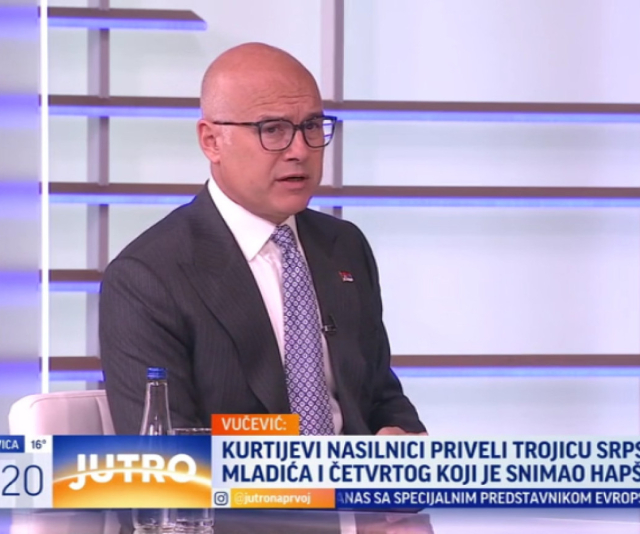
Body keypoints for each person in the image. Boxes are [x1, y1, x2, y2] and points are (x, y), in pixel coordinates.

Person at [99, 42, 426, 437]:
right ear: (211, 141)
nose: (300, 150)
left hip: (359, 479)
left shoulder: (344, 245)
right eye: (273, 130)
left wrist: (401, 437)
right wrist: (301, 470)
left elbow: (379, 394)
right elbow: (166, 455)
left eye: (311, 126)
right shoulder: (148, 277)